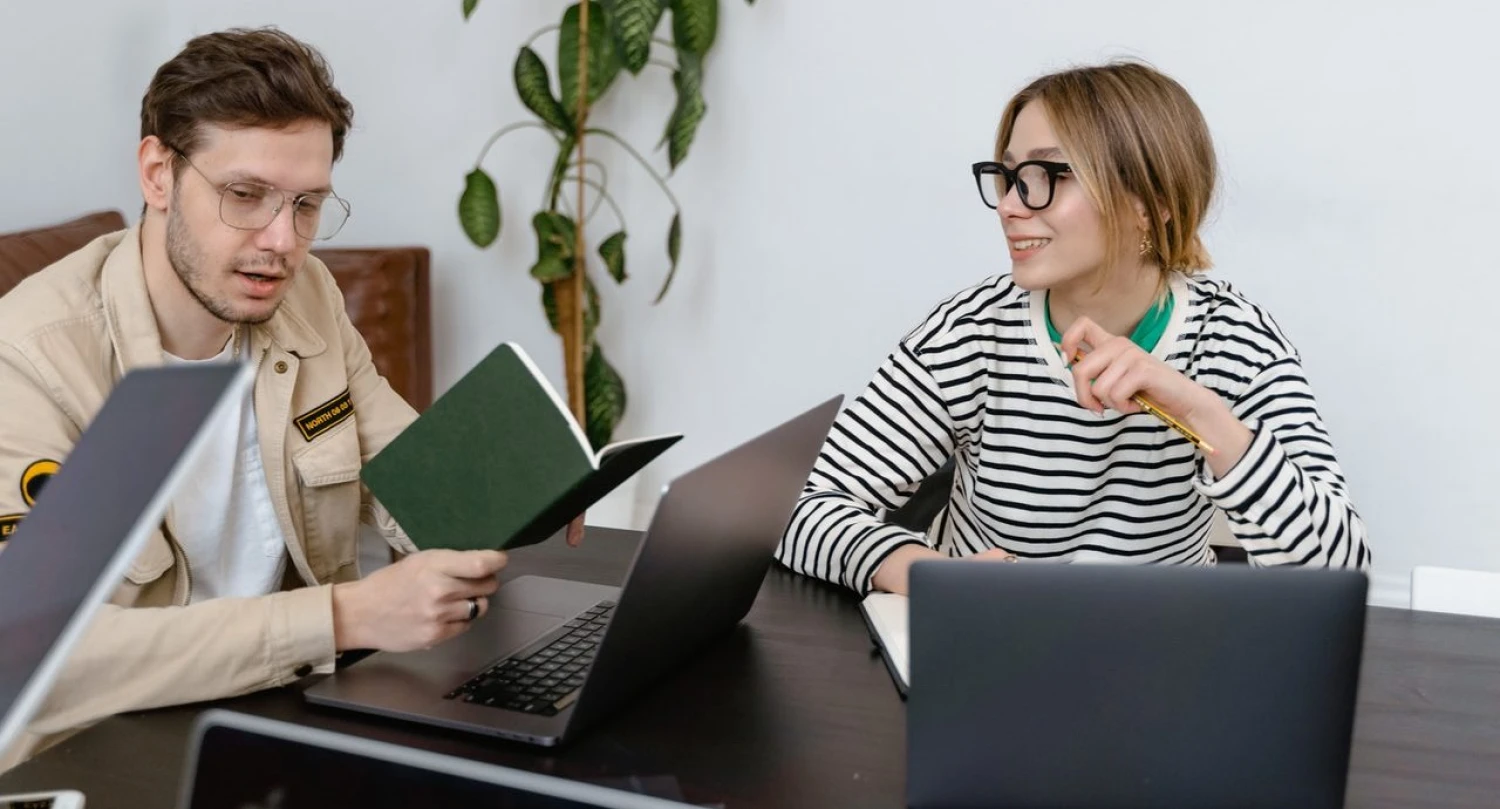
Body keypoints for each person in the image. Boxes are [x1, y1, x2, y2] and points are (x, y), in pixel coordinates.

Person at [0, 27, 553, 767]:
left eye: (307, 204)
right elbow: (41, 653)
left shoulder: (306, 297)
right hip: (99, 750)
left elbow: (410, 472)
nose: (282, 241)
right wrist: (343, 616)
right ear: (158, 174)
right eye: (245, 195)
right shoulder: (31, 359)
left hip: (280, 715)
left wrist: (526, 488)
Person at [776, 61, 1370, 596]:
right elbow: (798, 510)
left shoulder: (1232, 338)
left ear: (1151, 201)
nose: (1010, 204)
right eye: (1008, 177)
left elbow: (1339, 574)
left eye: (1045, 175)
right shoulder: (972, 331)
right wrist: (921, 570)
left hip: (1161, 660)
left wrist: (1201, 414)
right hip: (984, 648)